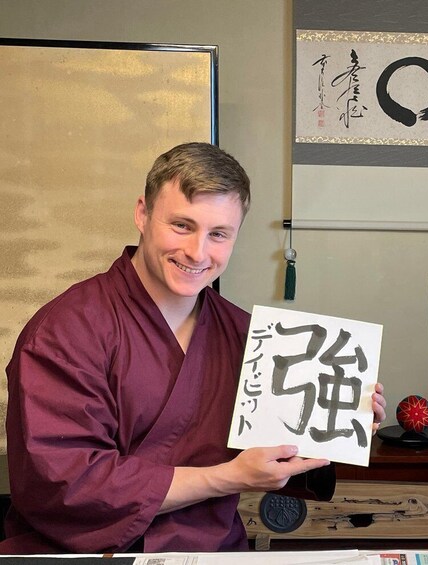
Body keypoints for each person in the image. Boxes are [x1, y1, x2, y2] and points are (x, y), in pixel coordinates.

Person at [1, 142, 387, 553]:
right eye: (182, 226)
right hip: (86, 555)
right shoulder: (68, 329)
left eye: (218, 234)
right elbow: (64, 481)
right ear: (142, 214)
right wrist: (227, 477)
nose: (197, 252)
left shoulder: (247, 334)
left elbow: (274, 453)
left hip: (211, 552)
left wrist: (338, 422)